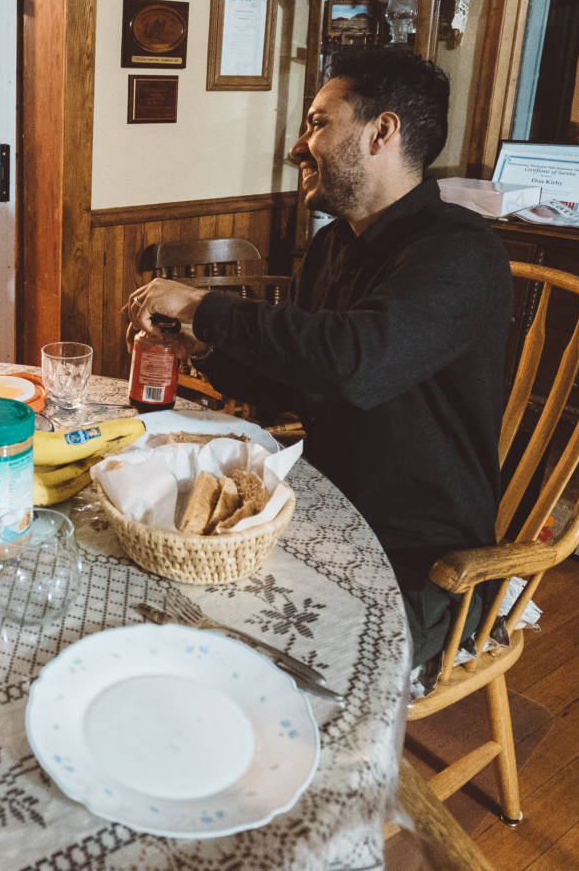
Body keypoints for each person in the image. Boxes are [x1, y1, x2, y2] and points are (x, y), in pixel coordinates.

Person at [124, 49, 513, 669]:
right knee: (145, 586)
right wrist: (202, 348)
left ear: (382, 132)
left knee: (217, 655)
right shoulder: (336, 244)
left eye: (318, 123)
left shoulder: (461, 254)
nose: (299, 146)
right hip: (318, 516)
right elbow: (294, 381)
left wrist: (204, 305)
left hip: (419, 565)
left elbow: (354, 364)